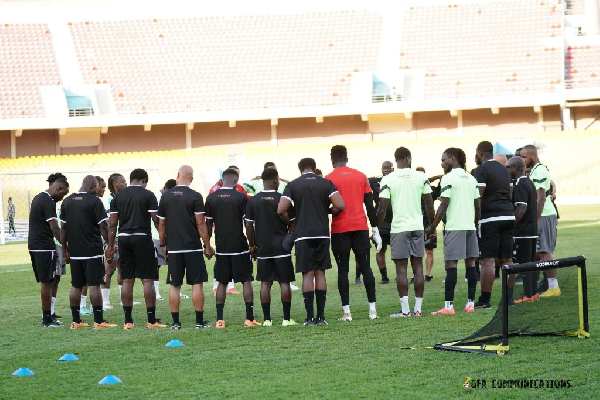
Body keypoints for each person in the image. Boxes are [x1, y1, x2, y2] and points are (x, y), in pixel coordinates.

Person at [278, 158, 345, 326]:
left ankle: (309, 318)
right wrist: (326, 211)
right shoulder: (325, 183)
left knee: (307, 274)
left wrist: (291, 222)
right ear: (314, 169)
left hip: (302, 235)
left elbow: (280, 209)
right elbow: (340, 205)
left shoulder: (293, 185)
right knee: (320, 273)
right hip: (322, 234)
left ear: (300, 169)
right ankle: (321, 317)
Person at [325, 145, 380, 321]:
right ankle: (373, 311)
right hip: (360, 227)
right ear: (347, 159)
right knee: (365, 267)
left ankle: (347, 313)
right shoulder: (361, 176)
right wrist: (375, 229)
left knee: (343, 270)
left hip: (340, 228)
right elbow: (370, 206)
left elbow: (326, 206)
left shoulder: (328, 179)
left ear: (332, 160)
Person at [107, 168, 166, 329]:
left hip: (124, 238)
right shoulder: (148, 195)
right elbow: (156, 220)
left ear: (131, 179)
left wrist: (111, 246)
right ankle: (151, 320)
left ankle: (128, 321)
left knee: (127, 279)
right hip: (142, 238)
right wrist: (163, 241)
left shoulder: (118, 197)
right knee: (147, 279)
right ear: (144, 181)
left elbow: (112, 224)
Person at [378, 148, 434, 318]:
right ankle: (417, 310)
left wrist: (377, 229)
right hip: (417, 227)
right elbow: (430, 206)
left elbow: (382, 208)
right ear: (409, 159)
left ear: (396, 160)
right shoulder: (421, 177)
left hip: (399, 229)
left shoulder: (388, 179)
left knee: (401, 269)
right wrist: (431, 226)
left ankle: (405, 311)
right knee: (418, 267)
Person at [158, 166, 215, 329]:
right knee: (197, 283)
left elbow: (162, 224)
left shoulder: (166, 196)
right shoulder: (195, 196)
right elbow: (200, 223)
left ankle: (176, 323)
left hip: (174, 247)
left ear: (177, 176)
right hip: (192, 247)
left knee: (174, 285)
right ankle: (199, 322)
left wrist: (163, 245)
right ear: (191, 178)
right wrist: (207, 245)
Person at [425, 148, 481, 315]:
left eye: (444, 160)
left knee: (451, 265)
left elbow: (443, 204)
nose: (442, 164)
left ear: (453, 159)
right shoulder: (471, 178)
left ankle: (449, 307)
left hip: (455, 227)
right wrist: (474, 224)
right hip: (470, 227)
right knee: (471, 264)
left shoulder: (448, 178)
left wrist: (432, 226)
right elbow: (478, 205)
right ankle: (470, 304)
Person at [60, 176, 117, 329]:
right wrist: (111, 246)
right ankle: (98, 321)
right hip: (92, 250)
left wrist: (65, 249)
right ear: (92, 186)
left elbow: (63, 229)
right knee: (94, 285)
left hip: (75, 251)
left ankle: (76, 321)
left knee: (76, 286)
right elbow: (103, 227)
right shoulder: (94, 201)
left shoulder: (67, 201)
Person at [205, 168, 259, 328]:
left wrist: (207, 246)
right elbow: (248, 225)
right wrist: (252, 244)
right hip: (240, 247)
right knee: (246, 281)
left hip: (222, 247)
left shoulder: (211, 198)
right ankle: (249, 318)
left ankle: (219, 320)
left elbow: (207, 225)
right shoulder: (241, 197)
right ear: (236, 181)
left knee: (221, 282)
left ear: (222, 180)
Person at [245, 168, 297, 326]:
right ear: (276, 181)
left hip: (263, 247)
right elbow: (293, 223)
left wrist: (252, 245)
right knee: (284, 282)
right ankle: (286, 319)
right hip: (282, 246)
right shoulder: (283, 199)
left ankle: (267, 319)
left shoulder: (253, 201)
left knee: (265, 284)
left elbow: (248, 226)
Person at [472, 141, 515, 309]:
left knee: (488, 261)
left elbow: (478, 198)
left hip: (490, 218)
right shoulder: (505, 170)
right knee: (508, 259)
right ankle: (509, 299)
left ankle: (485, 300)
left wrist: (476, 220)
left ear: (480, 153)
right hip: (508, 215)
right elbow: (510, 194)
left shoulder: (481, 170)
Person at [28, 176, 69, 327]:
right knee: (47, 282)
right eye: (63, 194)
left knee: (49, 281)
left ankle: (48, 314)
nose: (62, 198)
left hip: (37, 245)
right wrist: (64, 246)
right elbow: (54, 227)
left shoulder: (38, 198)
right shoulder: (48, 201)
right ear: (58, 189)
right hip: (43, 246)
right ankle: (47, 319)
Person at [520, 145, 560, 297]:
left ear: (533, 155)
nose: (523, 161)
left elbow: (541, 197)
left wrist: (535, 220)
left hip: (544, 215)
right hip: (540, 215)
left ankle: (553, 287)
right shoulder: (535, 170)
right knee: (537, 253)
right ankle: (535, 289)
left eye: (525, 157)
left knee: (545, 252)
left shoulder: (541, 170)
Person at [210, 166, 246, 296]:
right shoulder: (214, 189)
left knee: (226, 260)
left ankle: (230, 287)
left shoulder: (241, 189)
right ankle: (216, 286)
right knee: (223, 261)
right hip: (222, 229)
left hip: (231, 232)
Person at [506, 156, 538, 303]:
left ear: (515, 168)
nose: (506, 170)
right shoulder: (529, 182)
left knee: (524, 264)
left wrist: (511, 224)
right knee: (531, 264)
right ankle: (533, 293)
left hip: (523, 232)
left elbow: (522, 207)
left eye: (508, 167)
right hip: (531, 230)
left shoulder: (520, 184)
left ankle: (527, 295)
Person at [368, 161, 394, 284]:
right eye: (384, 167)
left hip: (396, 221)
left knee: (398, 250)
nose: (387, 169)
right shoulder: (374, 181)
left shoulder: (397, 180)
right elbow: (364, 181)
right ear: (381, 169)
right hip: (381, 222)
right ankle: (384, 277)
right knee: (380, 249)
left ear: (393, 168)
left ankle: (400, 273)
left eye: (389, 167)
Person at [47, 173, 68, 321]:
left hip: (59, 243)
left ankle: (52, 311)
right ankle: (47, 312)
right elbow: (53, 227)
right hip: (53, 244)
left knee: (57, 278)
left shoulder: (54, 203)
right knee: (51, 279)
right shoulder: (46, 202)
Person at [415, 167, 442, 282]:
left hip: (428, 224)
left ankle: (428, 274)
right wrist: (436, 177)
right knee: (415, 252)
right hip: (414, 223)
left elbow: (441, 188)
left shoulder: (431, 190)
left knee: (429, 250)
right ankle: (417, 274)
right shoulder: (411, 189)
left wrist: (441, 178)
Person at [153, 178, 177, 301]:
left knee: (174, 263)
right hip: (156, 236)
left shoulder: (168, 197)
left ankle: (176, 290)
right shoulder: (158, 197)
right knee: (156, 265)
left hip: (169, 235)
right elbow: (157, 219)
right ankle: (156, 293)